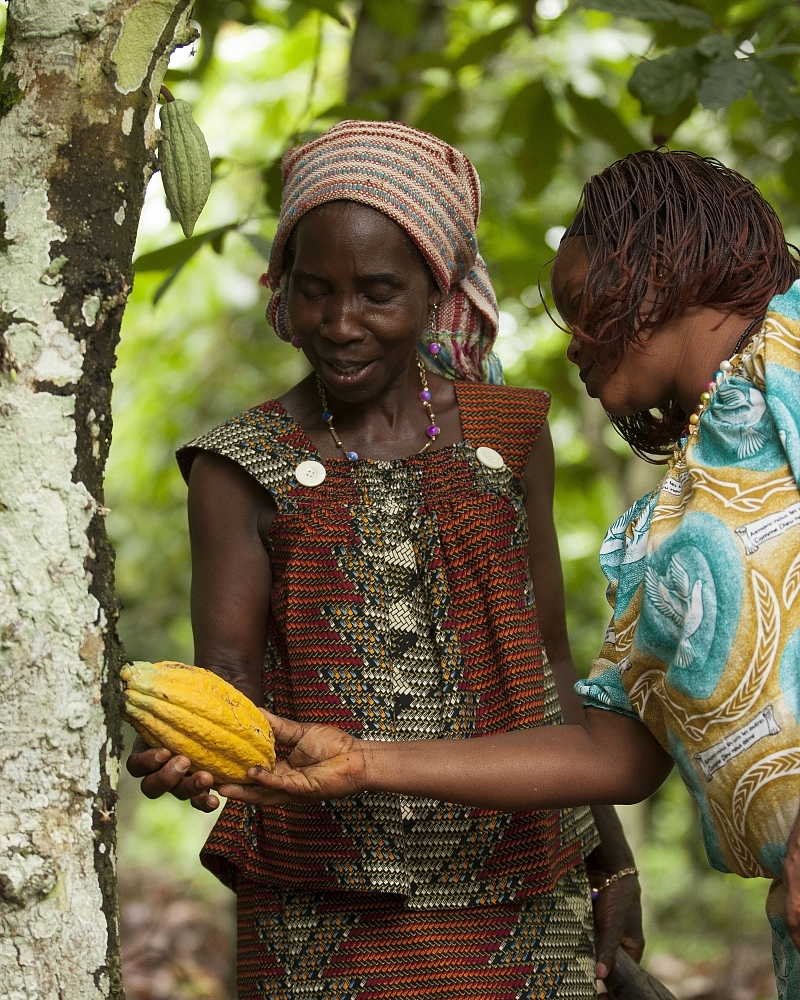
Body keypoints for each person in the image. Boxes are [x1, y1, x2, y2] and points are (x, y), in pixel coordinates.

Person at [214, 149, 800, 1000]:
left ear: (654, 273)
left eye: (581, 310)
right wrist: (364, 762)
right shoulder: (673, 516)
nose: (572, 351)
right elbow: (618, 750)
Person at [127, 120, 642, 998]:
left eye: (377, 292)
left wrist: (611, 861)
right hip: (321, 904)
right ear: (282, 290)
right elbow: (227, 677)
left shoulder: (510, 434)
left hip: (522, 881)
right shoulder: (239, 463)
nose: (340, 323)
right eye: (314, 289)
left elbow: (550, 657)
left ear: (435, 291)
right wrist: (189, 750)